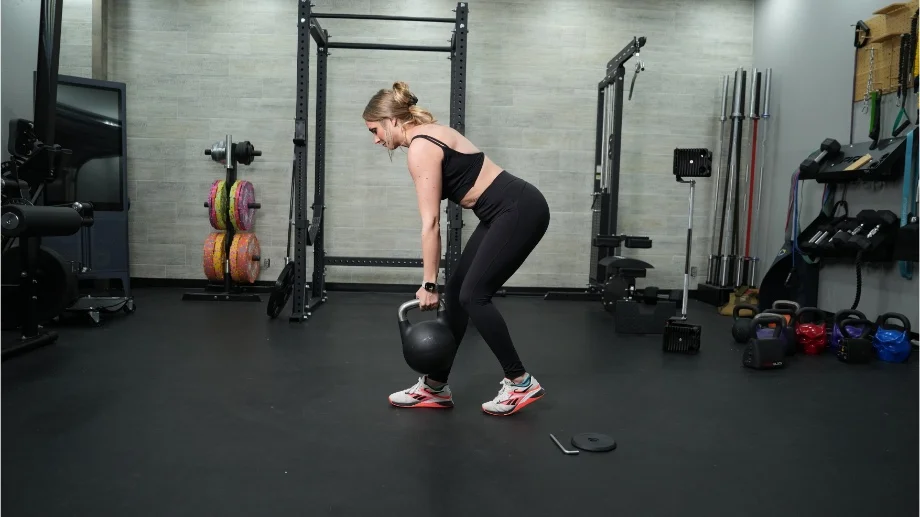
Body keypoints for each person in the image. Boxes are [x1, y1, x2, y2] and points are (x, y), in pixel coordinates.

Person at [362, 81, 551, 416]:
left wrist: (429, 283)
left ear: (392, 120)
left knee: (472, 295)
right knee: (461, 294)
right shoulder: (430, 132)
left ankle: (520, 381)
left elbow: (430, 224)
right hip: (505, 210)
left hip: (517, 209)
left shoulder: (421, 148)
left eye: (375, 130)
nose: (376, 139)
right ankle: (435, 387)